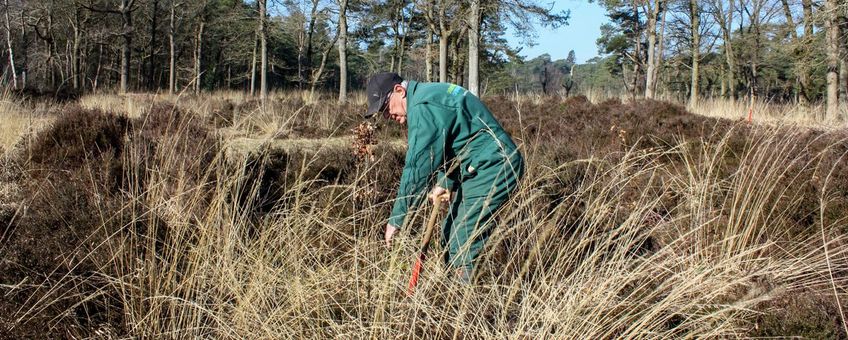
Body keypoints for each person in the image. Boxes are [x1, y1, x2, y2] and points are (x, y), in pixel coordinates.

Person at [364, 72, 524, 282]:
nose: (388, 116)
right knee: (450, 232)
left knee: (461, 239)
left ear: (399, 91)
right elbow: (454, 139)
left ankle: (463, 303)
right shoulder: (430, 94)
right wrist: (445, 181)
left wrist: (397, 219)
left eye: (386, 108)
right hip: (479, 166)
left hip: (493, 167)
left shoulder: (423, 106)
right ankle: (458, 288)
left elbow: (418, 166)